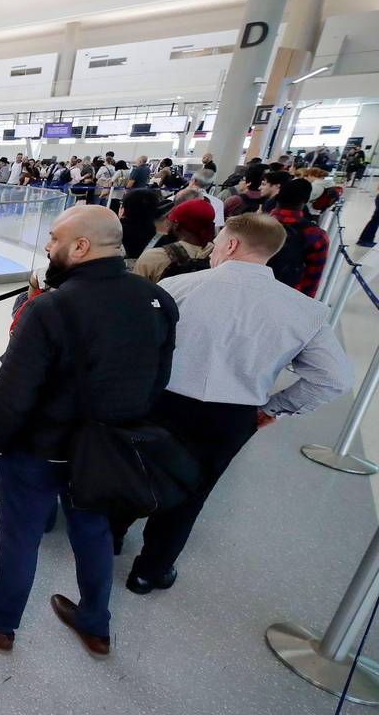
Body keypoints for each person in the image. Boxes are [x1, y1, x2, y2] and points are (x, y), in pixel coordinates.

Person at [0, 205, 177, 657]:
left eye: (54, 238)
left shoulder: (50, 308)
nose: (48, 245)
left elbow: (13, 392)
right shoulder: (157, 301)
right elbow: (158, 379)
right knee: (92, 530)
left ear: (81, 246)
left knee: (21, 535)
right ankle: (95, 624)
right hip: (105, 450)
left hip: (39, 450)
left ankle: (0, 621)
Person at [113, 214, 350, 593]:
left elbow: (137, 345)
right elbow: (333, 378)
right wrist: (274, 408)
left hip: (162, 402)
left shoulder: (178, 286)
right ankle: (149, 572)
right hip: (230, 417)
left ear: (233, 245)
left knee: (137, 469)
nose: (213, 250)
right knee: (193, 491)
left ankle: (112, 537)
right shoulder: (305, 310)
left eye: (219, 241)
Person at [267, 177, 329, 297]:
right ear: (305, 200)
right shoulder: (315, 235)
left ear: (278, 196)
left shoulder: (252, 224)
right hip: (286, 295)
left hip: (246, 294)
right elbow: (313, 277)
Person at [132, 198, 215, 283]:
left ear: (176, 225)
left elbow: (136, 292)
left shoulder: (152, 258)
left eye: (170, 221)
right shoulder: (220, 256)